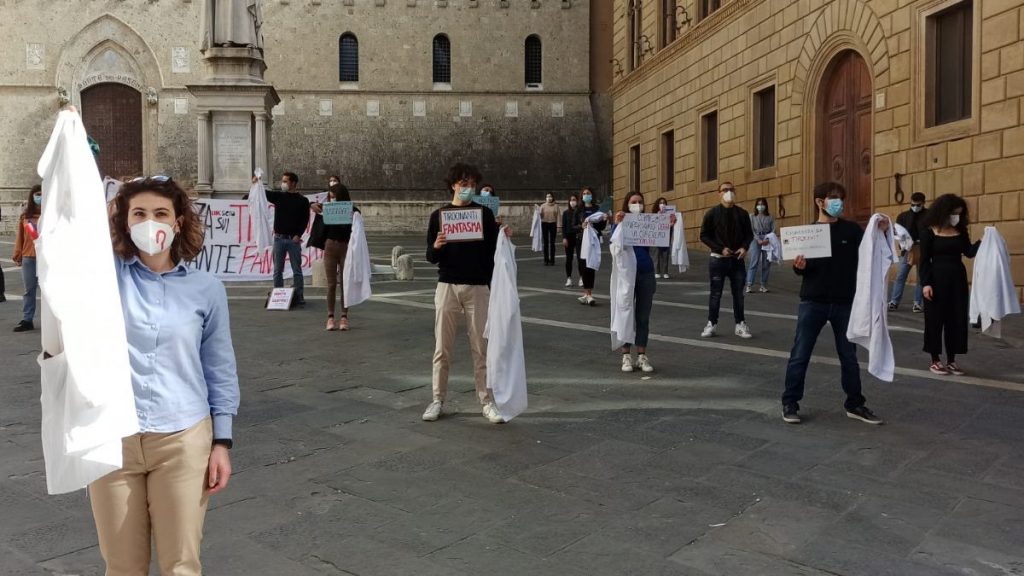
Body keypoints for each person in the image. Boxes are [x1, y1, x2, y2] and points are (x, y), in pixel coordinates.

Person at [93, 175, 239, 574]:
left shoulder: (206, 288)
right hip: (112, 441)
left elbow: (219, 366)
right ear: (124, 221)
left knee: (181, 565)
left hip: (182, 438)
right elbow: (73, 244)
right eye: (138, 213)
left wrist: (221, 441)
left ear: (177, 222)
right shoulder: (106, 278)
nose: (150, 222)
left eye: (161, 213)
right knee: (122, 565)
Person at [781, 181, 883, 425]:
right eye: (833, 198)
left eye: (841, 199)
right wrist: (800, 267)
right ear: (819, 202)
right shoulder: (807, 233)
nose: (839, 203)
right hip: (812, 301)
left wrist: (883, 227)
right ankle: (790, 402)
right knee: (800, 353)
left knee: (849, 355)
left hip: (845, 303)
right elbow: (804, 270)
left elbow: (872, 247)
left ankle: (855, 403)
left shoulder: (852, 231)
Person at [422, 163, 507, 424]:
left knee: (481, 348)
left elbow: (496, 250)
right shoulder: (439, 216)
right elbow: (430, 256)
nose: (468, 188)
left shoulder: (483, 215)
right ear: (453, 185)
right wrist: (436, 246)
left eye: (472, 184)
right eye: (463, 184)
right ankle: (437, 399)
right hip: (447, 284)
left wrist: (505, 234)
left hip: (478, 287)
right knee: (441, 348)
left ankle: (486, 400)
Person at [920, 194, 979, 376]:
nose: (956, 217)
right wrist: (926, 283)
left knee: (956, 319)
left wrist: (984, 241)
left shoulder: (960, 231)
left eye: (959, 214)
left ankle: (952, 360)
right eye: (953, 213)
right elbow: (924, 260)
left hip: (957, 279)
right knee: (935, 320)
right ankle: (935, 359)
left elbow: (968, 252)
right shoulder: (929, 231)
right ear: (944, 212)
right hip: (936, 279)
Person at [613, 193, 670, 373]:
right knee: (625, 312)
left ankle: (642, 355)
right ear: (627, 204)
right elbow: (614, 245)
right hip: (627, 274)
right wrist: (617, 224)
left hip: (646, 272)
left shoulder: (648, 222)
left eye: (639, 202)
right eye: (633, 202)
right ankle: (626, 355)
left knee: (643, 316)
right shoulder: (621, 222)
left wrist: (668, 227)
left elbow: (662, 247)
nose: (637, 205)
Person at [699, 182, 753, 338]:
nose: (729, 192)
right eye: (725, 190)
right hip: (718, 259)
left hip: (737, 260)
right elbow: (704, 235)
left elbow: (749, 234)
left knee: (738, 293)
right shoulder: (712, 213)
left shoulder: (742, 214)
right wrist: (719, 249)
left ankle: (740, 324)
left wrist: (744, 247)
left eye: (731, 190)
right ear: (719, 194)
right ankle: (711, 323)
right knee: (716, 293)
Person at [310, 182, 358, 331]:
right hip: (330, 246)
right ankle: (330, 316)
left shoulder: (352, 210)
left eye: (334, 197)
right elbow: (312, 205)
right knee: (331, 284)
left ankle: (344, 316)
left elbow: (358, 219)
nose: (331, 200)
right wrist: (312, 204)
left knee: (345, 284)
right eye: (330, 197)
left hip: (345, 246)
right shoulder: (326, 208)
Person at [266, 172, 310, 306]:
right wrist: (256, 183)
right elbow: (263, 193)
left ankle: (299, 294)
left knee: (296, 269)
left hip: (293, 240)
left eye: (285, 181)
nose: (283, 183)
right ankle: (278, 295)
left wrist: (299, 234)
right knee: (277, 270)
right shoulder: (279, 196)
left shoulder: (302, 201)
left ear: (293, 183)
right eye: (283, 181)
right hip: (279, 238)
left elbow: (305, 220)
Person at [889, 192, 928, 313]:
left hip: (923, 248)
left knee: (921, 278)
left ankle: (917, 303)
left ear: (923, 203)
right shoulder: (904, 216)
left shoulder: (929, 215)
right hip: (908, 249)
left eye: (918, 205)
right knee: (901, 276)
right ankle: (894, 302)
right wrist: (903, 244)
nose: (915, 207)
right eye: (913, 204)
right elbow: (898, 233)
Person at [12, 185, 42, 332]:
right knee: (28, 290)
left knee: (48, 290)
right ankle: (27, 319)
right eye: (37, 194)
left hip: (45, 258)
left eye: (42, 194)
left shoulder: (50, 214)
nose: (39, 197)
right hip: (28, 257)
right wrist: (18, 254)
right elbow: (20, 237)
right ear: (32, 196)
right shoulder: (25, 216)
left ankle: (53, 322)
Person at [575, 187, 606, 305]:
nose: (586, 195)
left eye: (588, 193)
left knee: (591, 266)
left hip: (593, 240)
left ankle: (589, 294)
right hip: (581, 240)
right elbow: (573, 226)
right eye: (584, 193)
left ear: (592, 195)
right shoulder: (579, 210)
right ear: (581, 196)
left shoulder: (597, 209)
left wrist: (604, 220)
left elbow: (601, 227)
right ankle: (587, 293)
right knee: (583, 265)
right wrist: (581, 226)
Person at [745, 197, 776, 293]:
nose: (760, 206)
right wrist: (758, 239)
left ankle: (763, 285)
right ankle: (749, 284)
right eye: (758, 204)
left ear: (766, 206)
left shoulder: (770, 217)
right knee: (754, 261)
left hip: (767, 238)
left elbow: (773, 229)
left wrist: (767, 238)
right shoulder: (752, 216)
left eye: (762, 204)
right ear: (756, 206)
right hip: (756, 239)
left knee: (766, 262)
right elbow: (750, 230)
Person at [562, 194, 580, 287]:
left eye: (574, 200)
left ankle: (581, 278)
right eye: (571, 200)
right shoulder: (565, 213)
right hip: (568, 237)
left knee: (580, 258)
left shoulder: (580, 212)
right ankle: (569, 278)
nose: (573, 201)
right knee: (569, 259)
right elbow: (564, 226)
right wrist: (564, 237)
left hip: (578, 236)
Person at [653, 197, 673, 279]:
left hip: (666, 238)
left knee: (666, 255)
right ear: (658, 205)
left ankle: (665, 272)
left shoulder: (669, 215)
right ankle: (657, 271)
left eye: (664, 203)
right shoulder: (654, 215)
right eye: (661, 203)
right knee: (657, 255)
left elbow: (671, 227)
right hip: (657, 238)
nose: (662, 204)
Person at [540, 193, 559, 266]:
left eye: (550, 196)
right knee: (545, 243)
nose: (549, 198)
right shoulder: (543, 206)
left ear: (553, 198)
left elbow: (558, 217)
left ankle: (552, 260)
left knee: (552, 243)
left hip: (553, 224)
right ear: (545, 198)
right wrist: (538, 211)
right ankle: (546, 259)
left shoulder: (556, 206)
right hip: (544, 224)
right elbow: (540, 216)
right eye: (547, 196)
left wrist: (559, 226)